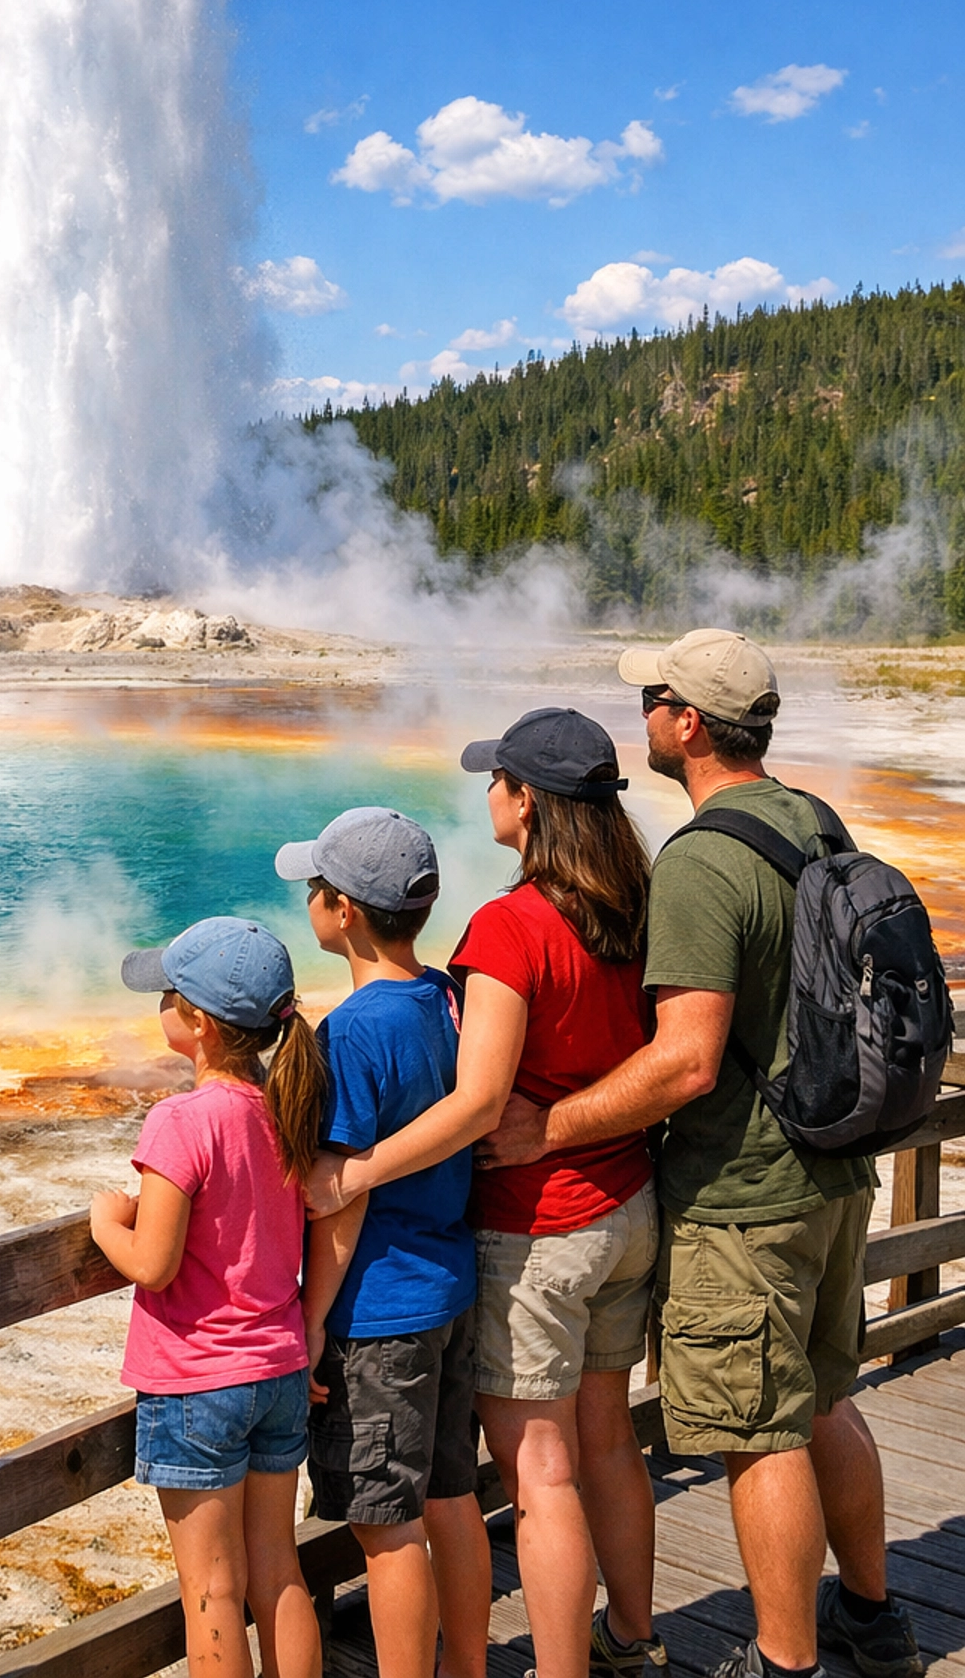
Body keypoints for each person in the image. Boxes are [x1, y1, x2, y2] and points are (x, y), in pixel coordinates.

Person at [479, 631, 924, 1678]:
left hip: (743, 1192)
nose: (644, 713)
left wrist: (548, 1128)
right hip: (835, 1168)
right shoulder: (813, 820)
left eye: (655, 697)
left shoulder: (704, 861)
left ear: (688, 723)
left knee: (757, 1431)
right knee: (827, 1400)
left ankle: (784, 1662)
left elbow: (684, 1064)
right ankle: (873, 1617)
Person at [307, 715, 667, 1678]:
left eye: (499, 779)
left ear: (531, 802)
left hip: (541, 1223)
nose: (489, 795)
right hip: (628, 1201)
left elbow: (476, 1103)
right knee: (607, 1442)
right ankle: (632, 1636)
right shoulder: (635, 903)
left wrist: (363, 1167)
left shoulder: (512, 927)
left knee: (540, 1473)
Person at [276, 805, 491, 1678]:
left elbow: (342, 1198)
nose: (311, 905)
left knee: (385, 1529)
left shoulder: (354, 1032)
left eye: (316, 891)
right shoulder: (448, 997)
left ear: (345, 912)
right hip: (450, 1287)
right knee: (451, 1499)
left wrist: (313, 1318)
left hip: (381, 1311)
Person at [89, 915, 328, 1678]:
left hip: (199, 1384)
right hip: (279, 1369)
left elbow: (154, 1263)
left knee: (212, 1593)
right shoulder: (285, 1106)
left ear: (195, 1023)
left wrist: (103, 1221)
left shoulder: (180, 1121)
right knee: (278, 1573)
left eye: (165, 991)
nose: (156, 1002)